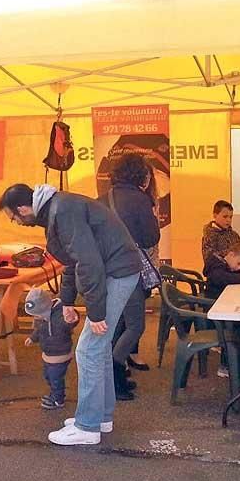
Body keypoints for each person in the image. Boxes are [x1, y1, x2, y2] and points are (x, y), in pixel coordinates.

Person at [0, 184, 141, 446]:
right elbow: (73, 261)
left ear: (23, 208)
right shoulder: (58, 207)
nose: (15, 222)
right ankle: (101, 417)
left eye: (13, 217)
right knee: (99, 347)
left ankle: (87, 426)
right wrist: (66, 300)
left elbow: (89, 263)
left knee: (88, 349)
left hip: (117, 272)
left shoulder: (62, 211)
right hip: (119, 269)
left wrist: (96, 313)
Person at [101, 153, 161, 398]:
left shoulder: (103, 199)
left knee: (116, 324)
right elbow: (150, 238)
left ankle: (113, 373)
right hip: (129, 271)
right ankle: (115, 375)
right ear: (141, 175)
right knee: (135, 325)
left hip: (106, 271)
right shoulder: (139, 200)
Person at [203, 241, 240, 378]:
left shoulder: (228, 263)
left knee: (239, 329)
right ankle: (227, 365)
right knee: (233, 329)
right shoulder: (216, 265)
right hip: (215, 304)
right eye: (239, 263)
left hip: (222, 301)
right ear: (231, 255)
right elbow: (219, 277)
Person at [24, 287, 78, 410]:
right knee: (48, 376)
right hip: (48, 354)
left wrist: (72, 319)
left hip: (60, 354)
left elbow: (69, 322)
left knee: (55, 378)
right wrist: (33, 338)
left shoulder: (60, 315)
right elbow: (39, 330)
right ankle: (54, 394)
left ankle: (58, 399)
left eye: (38, 314)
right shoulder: (42, 318)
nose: (37, 317)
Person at [201, 200, 240, 264]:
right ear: (215, 215)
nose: (228, 220)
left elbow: (239, 259)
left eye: (230, 217)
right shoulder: (209, 235)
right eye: (225, 216)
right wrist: (232, 252)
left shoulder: (234, 235)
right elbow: (209, 259)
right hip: (219, 271)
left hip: (236, 270)